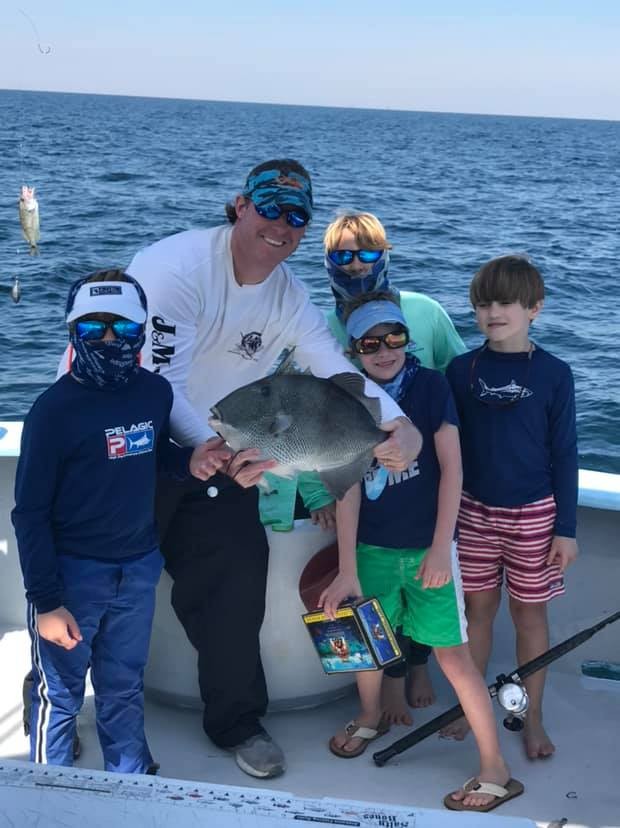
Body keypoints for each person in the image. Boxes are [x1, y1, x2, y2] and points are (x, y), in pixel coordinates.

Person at [126, 159, 423, 780]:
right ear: (239, 205)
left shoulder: (288, 294)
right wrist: (211, 448)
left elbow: (330, 365)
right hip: (132, 446)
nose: (282, 226)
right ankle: (67, 701)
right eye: (269, 207)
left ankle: (235, 721)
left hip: (224, 454)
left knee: (235, 582)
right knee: (109, 584)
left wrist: (396, 424)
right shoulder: (176, 269)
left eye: (297, 217)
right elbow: (159, 384)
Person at [11, 270, 227, 773]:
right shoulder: (52, 412)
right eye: (93, 330)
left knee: (123, 684)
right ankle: (48, 789)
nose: (110, 340)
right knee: (59, 693)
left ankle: (130, 779)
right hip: (71, 577)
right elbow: (29, 513)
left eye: (125, 330)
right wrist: (47, 602)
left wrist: (188, 463)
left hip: (137, 567)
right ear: (72, 331)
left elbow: (153, 458)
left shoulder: (154, 393)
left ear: (143, 332)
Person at [319, 297, 522, 813]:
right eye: (371, 343)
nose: (385, 351)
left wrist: (439, 549)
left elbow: (452, 471)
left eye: (395, 339)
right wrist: (346, 569)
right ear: (353, 350)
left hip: (428, 552)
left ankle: (496, 768)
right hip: (370, 550)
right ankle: (368, 716)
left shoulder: (431, 388)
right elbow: (347, 491)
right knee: (365, 643)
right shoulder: (346, 400)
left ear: (408, 341)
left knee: (453, 657)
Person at [321, 211, 466, 722]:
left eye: (367, 252)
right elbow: (311, 417)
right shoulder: (319, 327)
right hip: (358, 487)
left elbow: (459, 379)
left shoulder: (424, 312)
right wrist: (322, 492)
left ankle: (417, 665)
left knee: (422, 584)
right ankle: (382, 684)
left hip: (423, 485)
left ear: (387, 255)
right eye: (343, 255)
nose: (356, 264)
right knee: (373, 584)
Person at [445, 254, 578, 759]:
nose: (491, 311)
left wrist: (565, 528)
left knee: (529, 615)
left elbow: (565, 453)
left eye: (504, 302)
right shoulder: (460, 371)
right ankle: (468, 707)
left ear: (534, 308)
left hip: (534, 517)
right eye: (482, 303)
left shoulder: (554, 374)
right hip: (472, 512)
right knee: (476, 612)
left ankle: (531, 715)